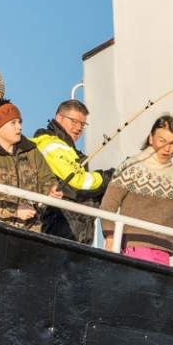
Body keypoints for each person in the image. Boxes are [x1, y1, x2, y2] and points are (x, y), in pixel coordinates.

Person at [99, 114, 173, 266]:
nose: (167, 148)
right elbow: (108, 205)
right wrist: (111, 238)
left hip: (163, 251)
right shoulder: (131, 167)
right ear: (151, 138)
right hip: (133, 246)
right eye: (162, 140)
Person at [0, 100, 62, 232]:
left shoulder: (32, 152)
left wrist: (51, 190)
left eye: (20, 122)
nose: (19, 127)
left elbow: (48, 180)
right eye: (13, 123)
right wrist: (15, 210)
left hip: (34, 234)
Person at [31, 100, 108, 244]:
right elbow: (76, 184)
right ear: (58, 118)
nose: (78, 128)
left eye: (82, 124)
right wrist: (106, 177)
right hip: (57, 227)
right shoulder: (49, 144)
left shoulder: (71, 151)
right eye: (73, 121)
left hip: (77, 233)